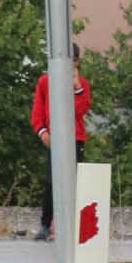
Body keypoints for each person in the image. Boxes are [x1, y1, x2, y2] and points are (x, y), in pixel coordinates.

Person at [31, 43, 92, 242]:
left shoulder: (81, 84)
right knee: (52, 181)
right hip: (54, 139)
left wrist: (76, 87)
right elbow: (37, 112)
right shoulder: (45, 82)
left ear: (77, 62)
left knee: (75, 181)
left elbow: (81, 110)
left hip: (75, 138)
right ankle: (45, 224)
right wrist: (43, 133)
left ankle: (72, 225)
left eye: (72, 61)